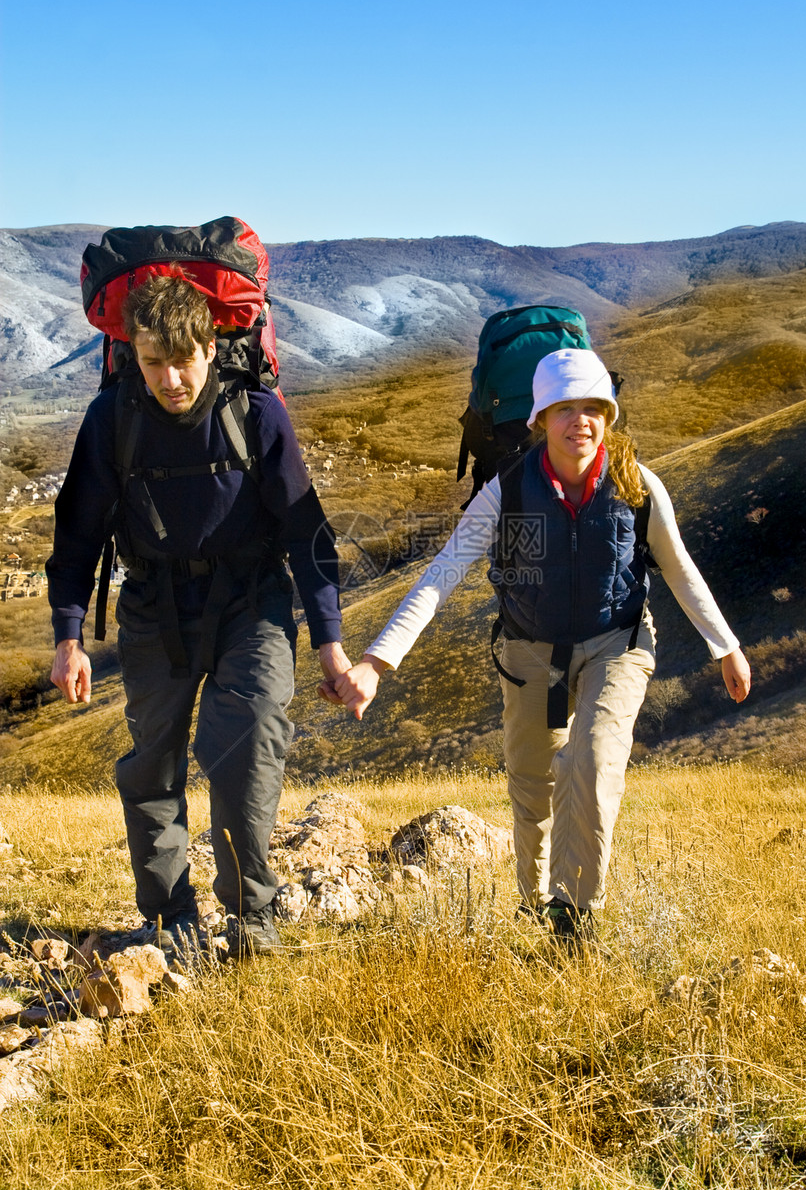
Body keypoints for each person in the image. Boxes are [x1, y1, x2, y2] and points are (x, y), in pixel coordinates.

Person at [334, 348, 751, 945]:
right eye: (564, 409)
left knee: (594, 759)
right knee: (534, 784)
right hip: (530, 648)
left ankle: (574, 916)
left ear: (608, 415)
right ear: (540, 419)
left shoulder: (637, 483)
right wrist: (376, 660)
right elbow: (442, 573)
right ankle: (535, 903)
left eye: (592, 408)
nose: (580, 421)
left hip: (619, 639)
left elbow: (678, 568)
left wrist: (725, 646)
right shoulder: (507, 490)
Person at [47, 275, 352, 959]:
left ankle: (251, 915)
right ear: (134, 356)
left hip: (252, 600)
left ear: (212, 347)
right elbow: (77, 536)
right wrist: (69, 638)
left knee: (246, 740)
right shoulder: (112, 418)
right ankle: (169, 920)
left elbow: (309, 534)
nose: (171, 378)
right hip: (155, 606)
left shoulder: (256, 411)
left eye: (183, 360)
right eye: (153, 362)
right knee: (152, 765)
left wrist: (332, 645)